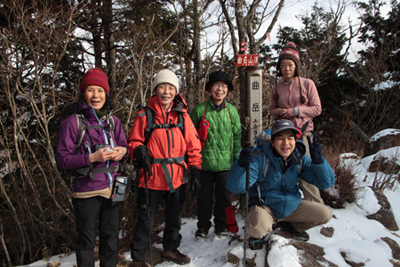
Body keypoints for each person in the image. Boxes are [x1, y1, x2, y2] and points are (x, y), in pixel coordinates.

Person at [127, 69, 202, 267]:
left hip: (177, 175)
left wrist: (195, 169)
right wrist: (137, 151)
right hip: (151, 176)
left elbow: (193, 145)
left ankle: (170, 249)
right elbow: (133, 141)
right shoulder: (144, 115)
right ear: (155, 90)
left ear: (176, 91)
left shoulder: (182, 117)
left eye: (171, 87)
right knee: (145, 219)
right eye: (162, 87)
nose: (166, 92)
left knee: (174, 218)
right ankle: (139, 257)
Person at [56, 68, 129, 267]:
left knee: (111, 237)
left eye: (100, 90)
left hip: (113, 187)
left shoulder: (113, 121)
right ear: (83, 93)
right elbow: (62, 159)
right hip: (86, 190)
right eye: (90, 90)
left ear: (106, 94)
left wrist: (123, 151)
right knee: (87, 240)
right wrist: (91, 157)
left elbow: (126, 147)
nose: (96, 95)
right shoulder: (72, 122)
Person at [226, 119, 334, 249]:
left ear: (295, 140)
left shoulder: (299, 158)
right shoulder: (261, 158)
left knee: (325, 214)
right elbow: (237, 187)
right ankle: (259, 232)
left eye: (290, 138)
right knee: (258, 229)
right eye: (280, 138)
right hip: (266, 207)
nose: (286, 143)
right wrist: (241, 165)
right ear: (272, 141)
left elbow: (325, 183)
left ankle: (289, 226)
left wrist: (319, 163)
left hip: (291, 206)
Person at [269, 41, 323, 203]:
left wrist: (295, 111)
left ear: (296, 66)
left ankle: (316, 206)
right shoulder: (276, 87)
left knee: (306, 170)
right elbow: (272, 110)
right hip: (284, 136)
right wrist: (279, 112)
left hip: (304, 134)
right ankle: (289, 205)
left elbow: (317, 109)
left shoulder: (307, 84)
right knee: (285, 171)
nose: (287, 68)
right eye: (283, 65)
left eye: (290, 65)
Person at [190, 70, 242, 239]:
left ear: (228, 90)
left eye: (223, 86)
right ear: (210, 88)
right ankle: (203, 227)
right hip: (204, 164)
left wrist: (236, 159)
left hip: (226, 164)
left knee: (224, 198)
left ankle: (222, 225)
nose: (220, 89)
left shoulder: (232, 111)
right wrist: (193, 163)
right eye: (216, 85)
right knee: (204, 198)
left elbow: (237, 136)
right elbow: (190, 137)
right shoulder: (199, 111)